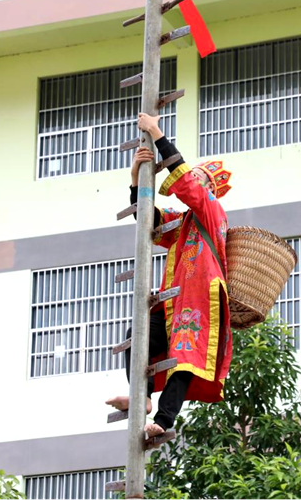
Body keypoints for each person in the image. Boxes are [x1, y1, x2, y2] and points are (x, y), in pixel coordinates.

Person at [106, 112, 233, 440]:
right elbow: (147, 220)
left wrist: (157, 133)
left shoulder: (211, 212)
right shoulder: (183, 221)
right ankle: (143, 398)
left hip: (202, 296)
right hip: (174, 300)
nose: (193, 180)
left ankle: (164, 420)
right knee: (139, 335)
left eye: (200, 178)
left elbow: (187, 185)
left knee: (185, 360)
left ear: (210, 189)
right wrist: (136, 178)